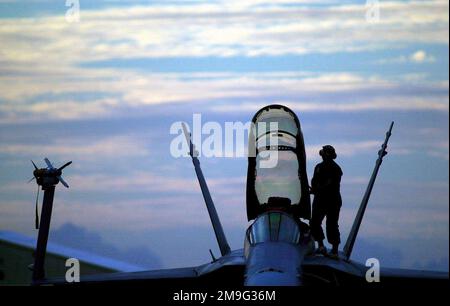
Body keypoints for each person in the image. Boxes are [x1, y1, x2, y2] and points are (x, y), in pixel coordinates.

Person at [310, 145, 343, 258]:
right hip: (320, 199)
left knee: (332, 224)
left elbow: (330, 184)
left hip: (332, 201)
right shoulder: (318, 167)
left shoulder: (336, 169)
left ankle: (334, 251)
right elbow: (314, 182)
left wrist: (318, 190)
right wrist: (314, 190)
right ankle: (321, 246)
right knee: (314, 222)